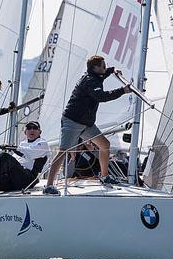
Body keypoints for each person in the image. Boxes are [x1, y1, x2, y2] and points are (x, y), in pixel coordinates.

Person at [44, 55, 132, 195]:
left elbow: (104, 74)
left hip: (87, 124)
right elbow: (101, 97)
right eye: (103, 66)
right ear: (95, 67)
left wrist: (112, 70)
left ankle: (104, 176)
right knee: (63, 151)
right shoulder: (90, 80)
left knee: (105, 145)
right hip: (72, 121)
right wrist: (123, 90)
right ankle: (48, 186)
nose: (105, 68)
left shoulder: (96, 75)